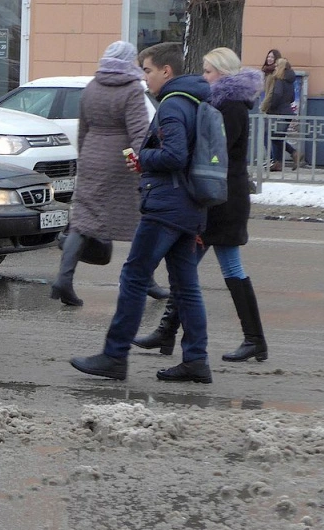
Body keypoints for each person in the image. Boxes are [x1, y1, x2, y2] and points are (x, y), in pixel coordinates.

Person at [70, 42, 212, 384]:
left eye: (147, 70)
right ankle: (196, 359)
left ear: (166, 71)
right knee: (186, 285)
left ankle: (114, 355)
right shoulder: (195, 100)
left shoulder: (173, 105)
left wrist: (142, 159)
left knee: (133, 277)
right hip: (189, 205)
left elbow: (175, 155)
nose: (144, 77)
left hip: (165, 205)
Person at [134, 48, 267, 363]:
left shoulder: (229, 106)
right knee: (193, 268)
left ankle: (251, 340)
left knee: (193, 269)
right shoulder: (223, 104)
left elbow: (212, 154)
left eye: (208, 71)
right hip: (222, 197)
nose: (204, 76)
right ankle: (171, 333)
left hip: (221, 201)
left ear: (221, 73)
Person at [51, 41, 151, 307]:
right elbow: (139, 131)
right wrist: (147, 161)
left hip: (92, 155)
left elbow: (83, 128)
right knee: (139, 218)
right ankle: (147, 279)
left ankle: (63, 278)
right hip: (121, 159)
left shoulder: (92, 87)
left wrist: (84, 157)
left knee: (83, 220)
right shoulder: (132, 90)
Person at [261, 52, 300, 171]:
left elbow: (276, 95)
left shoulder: (279, 80)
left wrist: (271, 106)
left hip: (279, 113)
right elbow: (292, 98)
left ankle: (286, 157)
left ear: (281, 67)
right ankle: (288, 157)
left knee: (274, 136)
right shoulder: (289, 81)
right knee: (277, 137)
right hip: (287, 112)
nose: (276, 68)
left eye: (277, 66)